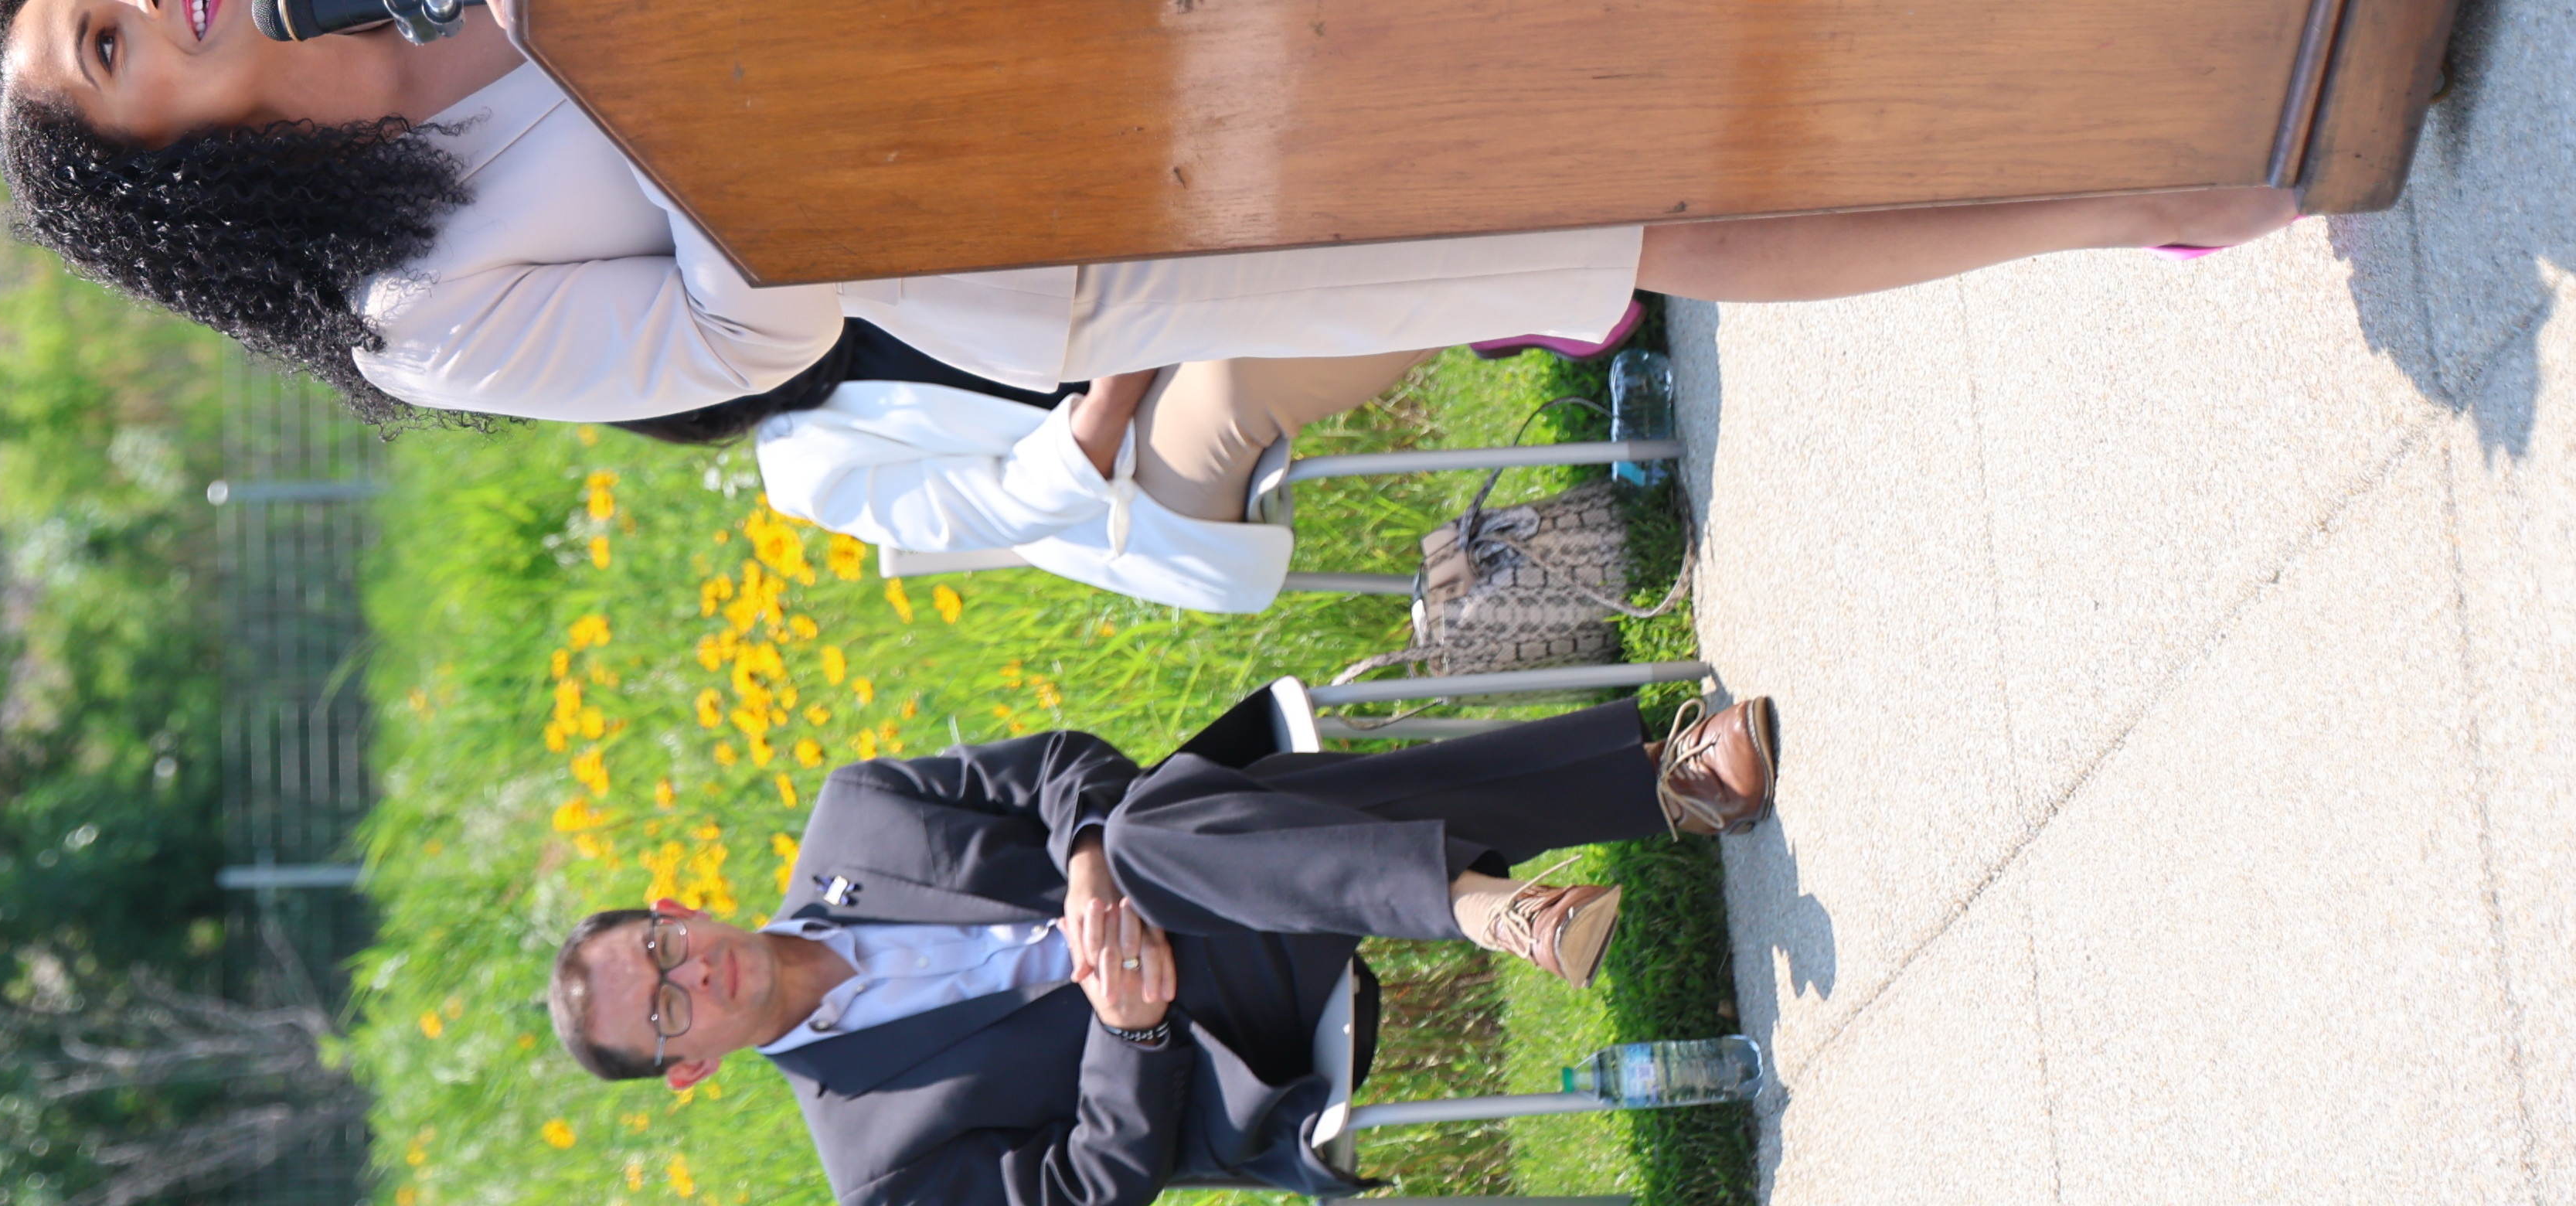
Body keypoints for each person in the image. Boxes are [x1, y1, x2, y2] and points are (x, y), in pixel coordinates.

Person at [0, 0, 2296, 422]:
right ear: (166, 165)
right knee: (1622, 218)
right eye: (108, 62)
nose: (136, 6)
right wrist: (707, 95)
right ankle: (2134, 197)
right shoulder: (409, 316)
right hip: (1061, 229)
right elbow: (729, 345)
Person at [543, 686, 1777, 1206]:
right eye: (664, 1015)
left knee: (1142, 839)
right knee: (1195, 834)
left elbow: (1068, 767)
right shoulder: (879, 1168)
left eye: (662, 951)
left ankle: (1504, 892)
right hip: (1226, 1039)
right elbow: (1089, 1188)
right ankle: (1625, 806)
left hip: (1217, 858)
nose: (688, 977)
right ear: (691, 1070)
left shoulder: (859, 813)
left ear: (676, 907)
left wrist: (1084, 866)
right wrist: (1131, 1030)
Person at [631, 334, 1458, 618]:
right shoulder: (806, 467)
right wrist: (1122, 368)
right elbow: (1026, 499)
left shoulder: (817, 272)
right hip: (1136, 470)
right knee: (1231, 376)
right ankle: (1526, 287)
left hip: (1146, 309)